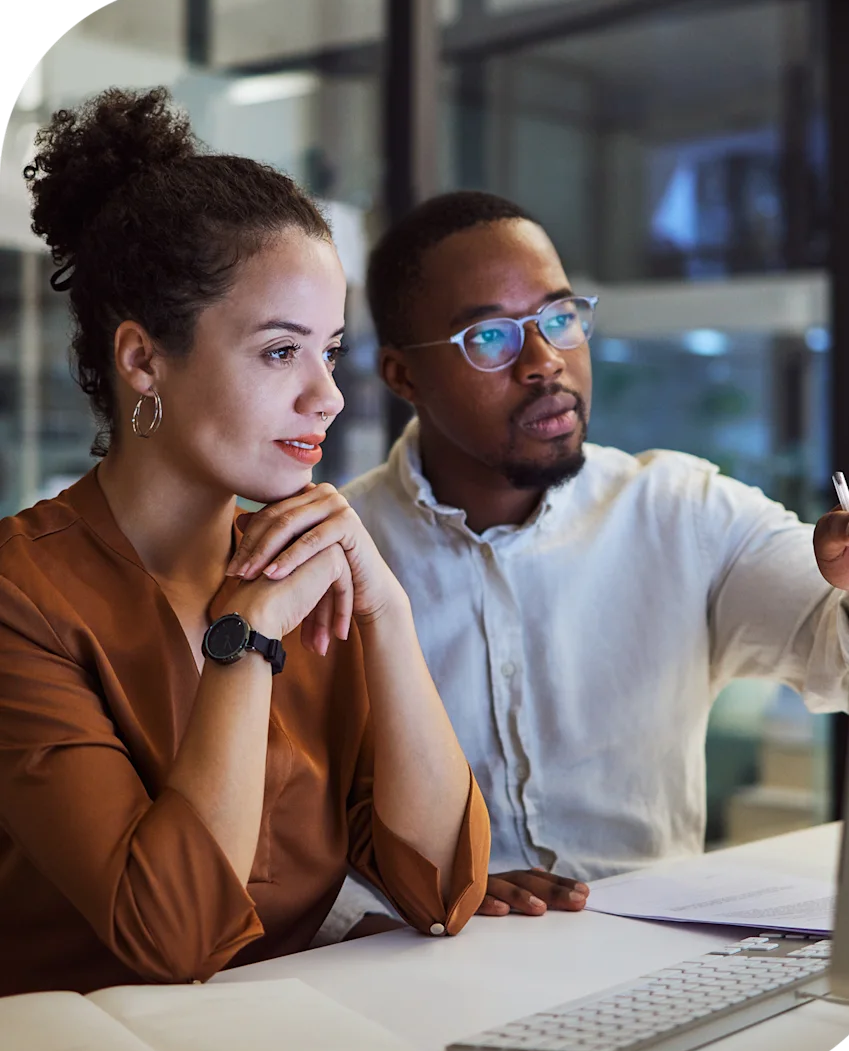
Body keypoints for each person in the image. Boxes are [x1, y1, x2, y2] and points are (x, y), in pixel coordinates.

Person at [0, 91, 490, 997]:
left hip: (294, 1039)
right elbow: (175, 937)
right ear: (142, 360)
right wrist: (246, 639)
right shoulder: (22, 596)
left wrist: (387, 612)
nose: (327, 397)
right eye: (278, 352)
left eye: (329, 352)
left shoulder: (312, 569)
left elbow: (440, 889)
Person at [315, 190, 849, 944]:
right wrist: (403, 904)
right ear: (402, 376)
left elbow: (845, 659)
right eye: (489, 337)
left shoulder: (680, 509)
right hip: (425, 956)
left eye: (559, 316)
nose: (545, 361)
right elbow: (283, 840)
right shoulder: (335, 558)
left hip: (659, 953)